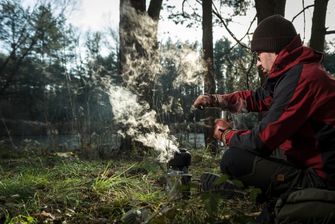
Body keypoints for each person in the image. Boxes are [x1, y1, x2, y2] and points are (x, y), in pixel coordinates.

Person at [193, 15, 335, 201]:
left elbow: (261, 140)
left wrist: (226, 135)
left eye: (258, 54)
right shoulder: (294, 73)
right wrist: (216, 99)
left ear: (272, 50)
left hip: (322, 180)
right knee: (239, 157)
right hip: (306, 165)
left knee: (233, 160)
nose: (258, 63)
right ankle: (255, 192)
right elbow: (257, 98)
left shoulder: (303, 79)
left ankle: (246, 196)